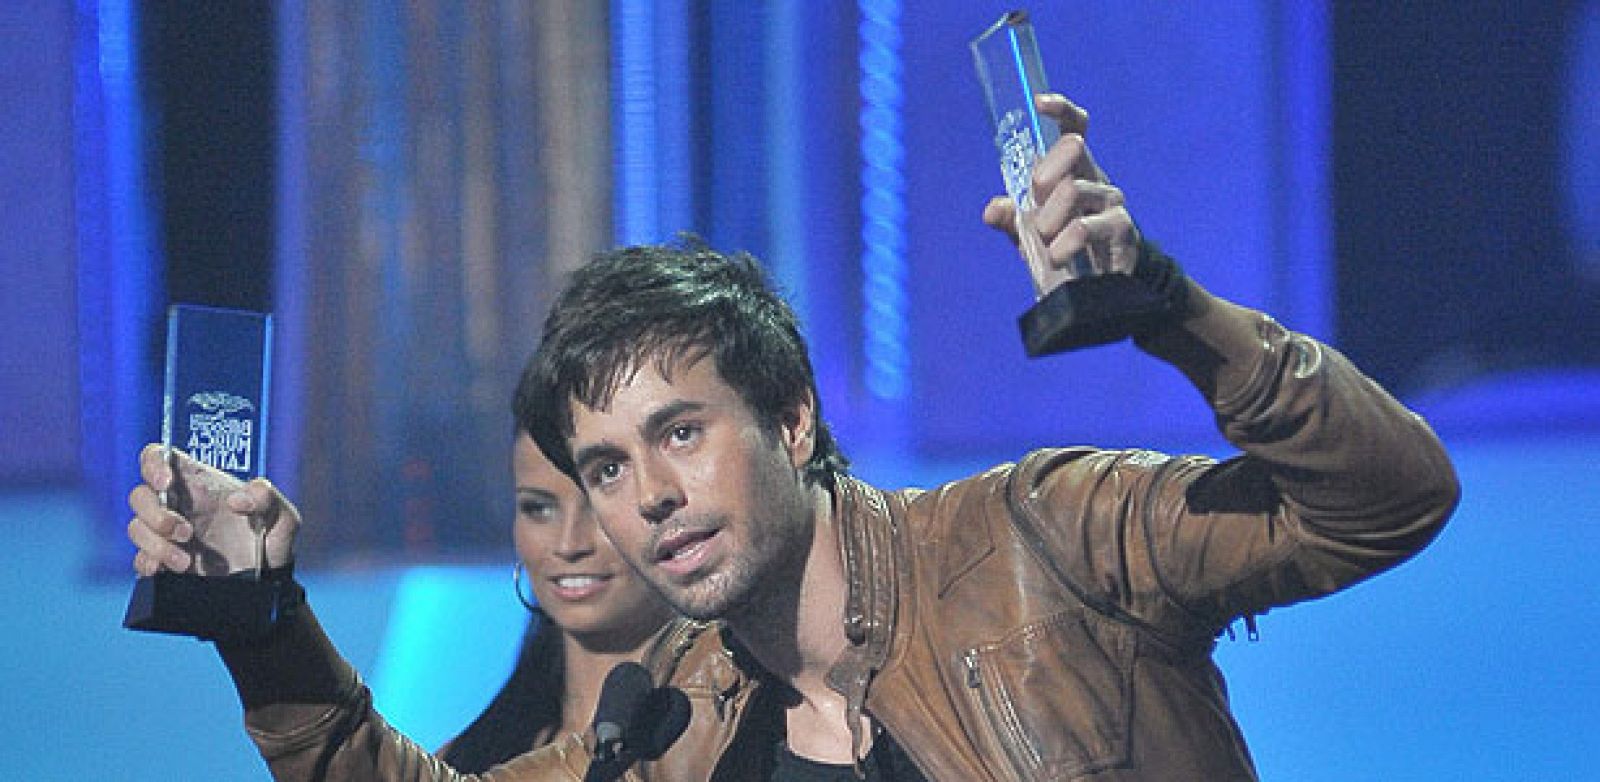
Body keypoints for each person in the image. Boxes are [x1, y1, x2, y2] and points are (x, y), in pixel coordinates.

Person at [505, 95, 1461, 779]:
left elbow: (1388, 499)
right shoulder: (671, 722)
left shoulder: (1044, 541)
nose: (650, 495)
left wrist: (1168, 308)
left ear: (792, 420)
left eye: (679, 432)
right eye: (608, 467)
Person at [126, 411, 681, 778]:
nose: (568, 543)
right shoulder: (468, 758)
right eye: (538, 507)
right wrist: (254, 602)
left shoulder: (732, 713)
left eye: (601, 495)